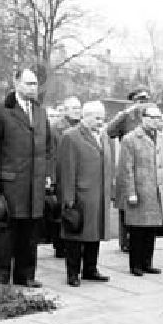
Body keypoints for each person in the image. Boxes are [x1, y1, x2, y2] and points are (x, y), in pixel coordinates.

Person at [0, 68, 55, 287]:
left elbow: (48, 147)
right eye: (28, 83)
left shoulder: (40, 112)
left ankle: (26, 275)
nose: (33, 88)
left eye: (35, 84)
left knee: (31, 230)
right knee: (7, 229)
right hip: (10, 182)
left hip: (35, 183)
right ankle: (1, 275)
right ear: (16, 83)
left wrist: (48, 174)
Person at [56, 101, 113, 286]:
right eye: (97, 118)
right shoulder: (71, 137)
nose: (100, 122)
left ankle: (90, 269)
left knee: (94, 234)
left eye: (102, 118)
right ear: (85, 116)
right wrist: (68, 199)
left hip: (99, 194)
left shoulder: (103, 136)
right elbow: (66, 170)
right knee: (75, 235)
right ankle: (73, 273)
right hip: (80, 195)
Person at [116, 103, 163, 275]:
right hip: (140, 189)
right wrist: (130, 192)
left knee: (151, 229)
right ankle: (136, 264)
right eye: (152, 118)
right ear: (143, 119)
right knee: (138, 229)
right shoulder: (131, 139)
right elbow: (126, 168)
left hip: (157, 190)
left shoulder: (162, 138)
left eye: (158, 118)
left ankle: (148, 262)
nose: (155, 121)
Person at [106, 88, 151, 250]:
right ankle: (125, 241)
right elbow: (109, 132)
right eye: (139, 100)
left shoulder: (151, 116)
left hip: (147, 168)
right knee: (126, 205)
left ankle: (141, 241)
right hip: (128, 165)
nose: (142, 103)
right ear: (132, 101)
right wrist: (124, 114)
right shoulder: (126, 117)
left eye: (145, 99)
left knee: (144, 204)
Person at [50, 96, 82, 260]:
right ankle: (60, 245)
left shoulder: (83, 127)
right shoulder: (56, 128)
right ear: (66, 109)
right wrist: (53, 178)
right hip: (62, 173)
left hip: (79, 174)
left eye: (79, 107)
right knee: (62, 211)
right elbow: (52, 154)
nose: (77, 111)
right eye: (74, 108)